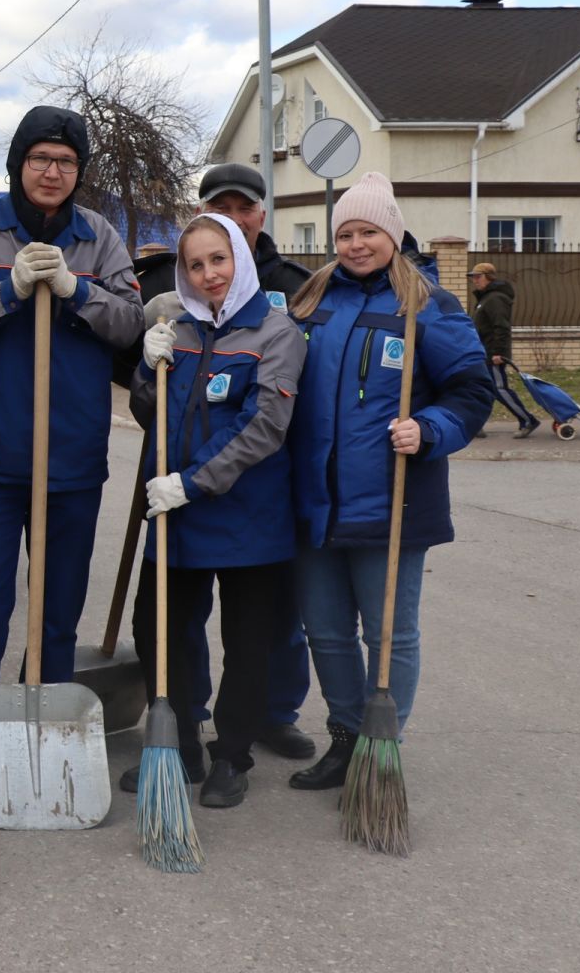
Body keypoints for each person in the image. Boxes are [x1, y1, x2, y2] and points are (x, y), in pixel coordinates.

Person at [0, 106, 143, 804]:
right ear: (19, 164)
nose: (53, 172)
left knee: (56, 616)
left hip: (74, 461)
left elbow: (130, 324)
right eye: (41, 158)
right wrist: (8, 292)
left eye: (67, 162)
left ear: (80, 174)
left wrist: (77, 292)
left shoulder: (99, 237)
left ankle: (43, 738)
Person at [284, 172, 492, 791]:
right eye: (344, 233)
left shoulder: (427, 303)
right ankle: (346, 736)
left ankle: (382, 746)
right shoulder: (312, 299)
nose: (354, 243)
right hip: (315, 504)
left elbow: (472, 390)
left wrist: (428, 430)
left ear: (392, 234)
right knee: (324, 630)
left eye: (367, 231)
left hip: (392, 500)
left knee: (388, 634)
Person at [116, 161, 317, 762]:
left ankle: (232, 754)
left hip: (246, 515)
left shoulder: (275, 331)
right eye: (197, 264)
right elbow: (155, 414)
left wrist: (192, 483)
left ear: (243, 258)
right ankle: (179, 745)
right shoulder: (173, 327)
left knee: (249, 642)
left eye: (219, 261)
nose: (209, 275)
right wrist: (145, 372)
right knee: (160, 633)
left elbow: (265, 426)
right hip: (175, 514)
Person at [469, 261, 539, 439]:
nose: (474, 280)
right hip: (485, 352)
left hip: (493, 354)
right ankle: (477, 425)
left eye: (478, 277)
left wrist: (498, 353)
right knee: (487, 389)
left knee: (499, 389)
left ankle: (528, 420)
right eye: (473, 277)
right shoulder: (486, 298)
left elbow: (501, 327)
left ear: (489, 277)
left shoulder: (495, 299)